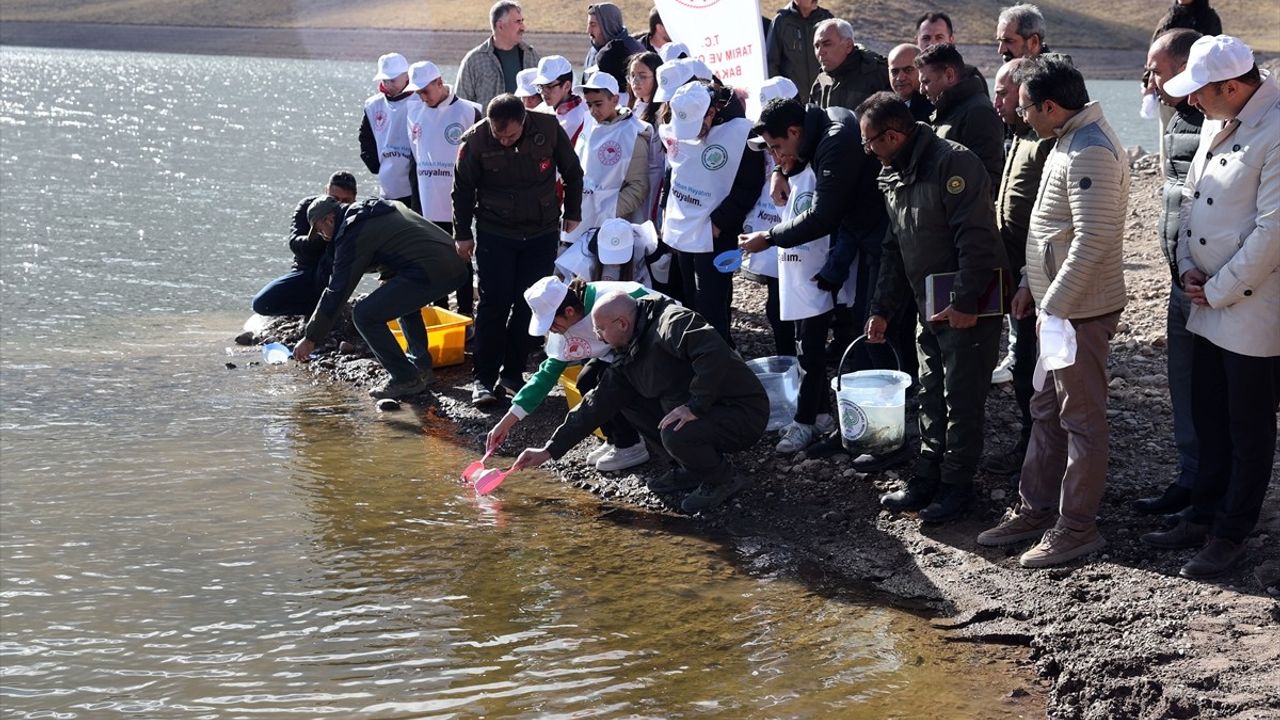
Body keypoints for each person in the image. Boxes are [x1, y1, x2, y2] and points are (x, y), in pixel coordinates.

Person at [976, 59, 1130, 568]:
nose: (1019, 115)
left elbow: (1092, 239)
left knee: (1081, 420)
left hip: (1078, 312)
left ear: (1048, 106)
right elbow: (1049, 228)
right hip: (1057, 308)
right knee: (1046, 409)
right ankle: (1037, 508)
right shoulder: (1065, 139)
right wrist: (1028, 284)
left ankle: (1076, 527)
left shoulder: (1091, 151)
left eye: (1023, 107)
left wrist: (1056, 306)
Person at [1141, 36, 1278, 579]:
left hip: (1251, 308)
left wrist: (1218, 286)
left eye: (1199, 92)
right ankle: (1201, 512)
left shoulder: (1274, 130)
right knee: (1208, 413)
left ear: (1230, 86)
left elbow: (1272, 232)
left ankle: (1231, 531)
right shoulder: (1219, 120)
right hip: (1204, 297)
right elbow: (1191, 197)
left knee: (1248, 427)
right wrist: (1186, 267)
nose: (1190, 102)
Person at [857, 91, 1008, 523]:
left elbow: (976, 240)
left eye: (871, 142)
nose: (867, 152)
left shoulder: (952, 164)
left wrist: (965, 302)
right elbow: (894, 247)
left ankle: (957, 486)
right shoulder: (892, 173)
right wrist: (882, 308)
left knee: (961, 397)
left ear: (893, 134)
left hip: (968, 301)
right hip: (928, 299)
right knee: (930, 391)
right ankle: (927, 476)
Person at [509, 291, 769, 514]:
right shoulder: (628, 348)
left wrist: (695, 406)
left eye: (600, 329)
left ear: (622, 323)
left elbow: (713, 353)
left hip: (742, 412)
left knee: (676, 432)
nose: (598, 338)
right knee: (624, 399)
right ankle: (692, 467)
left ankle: (722, 478)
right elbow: (595, 404)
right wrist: (549, 450)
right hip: (701, 406)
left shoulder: (673, 321)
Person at [739, 97, 887, 454]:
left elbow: (822, 215)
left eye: (777, 148)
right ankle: (826, 414)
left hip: (870, 242)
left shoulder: (834, 141)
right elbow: (795, 165)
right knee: (821, 336)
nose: (776, 156)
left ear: (794, 132)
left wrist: (770, 238)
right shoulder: (814, 128)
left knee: (859, 338)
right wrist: (781, 168)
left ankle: (864, 428)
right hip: (848, 243)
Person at [452, 94, 585, 407]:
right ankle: (483, 378)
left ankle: (512, 374)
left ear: (524, 121)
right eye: (499, 135)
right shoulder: (475, 141)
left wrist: (574, 212)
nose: (504, 140)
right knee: (493, 304)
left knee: (531, 303)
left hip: (540, 231)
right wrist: (461, 235)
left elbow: (573, 172)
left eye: (510, 135)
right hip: (495, 232)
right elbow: (461, 190)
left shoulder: (549, 128)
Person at [1130, 29, 1204, 517]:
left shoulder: (1225, 121)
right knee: (1184, 383)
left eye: (1157, 70)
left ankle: (1219, 495)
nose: (1150, 80)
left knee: (1218, 393)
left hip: (1216, 283)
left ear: (1184, 67)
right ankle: (1191, 479)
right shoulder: (1177, 117)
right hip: (1181, 276)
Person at [291, 197, 469, 399]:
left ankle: (405, 378)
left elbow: (338, 290)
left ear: (330, 219)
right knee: (401, 301)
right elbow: (402, 244)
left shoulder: (353, 231)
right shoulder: (375, 209)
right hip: (455, 263)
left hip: (435, 270)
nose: (322, 236)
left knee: (364, 315)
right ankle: (420, 368)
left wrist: (311, 337)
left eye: (319, 229)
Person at [487, 276, 654, 472]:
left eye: (551, 323)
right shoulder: (566, 322)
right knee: (585, 380)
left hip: (649, 348)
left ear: (569, 311)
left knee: (605, 382)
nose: (551, 330)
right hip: (615, 350)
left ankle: (631, 445)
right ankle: (615, 438)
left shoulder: (613, 298)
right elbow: (546, 376)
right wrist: (506, 422)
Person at [982, 58, 1055, 478]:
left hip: (1037, 275)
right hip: (1014, 270)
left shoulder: (1042, 142)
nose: (998, 102)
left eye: (1005, 93)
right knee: (1023, 360)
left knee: (1033, 363)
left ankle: (1037, 449)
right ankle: (1031, 443)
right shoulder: (1017, 137)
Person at [659, 81, 764, 344]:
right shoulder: (679, 122)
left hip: (717, 233)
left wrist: (720, 222)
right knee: (689, 297)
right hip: (685, 227)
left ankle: (718, 358)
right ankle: (695, 353)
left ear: (711, 112)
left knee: (713, 299)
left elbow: (750, 185)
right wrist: (668, 214)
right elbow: (673, 171)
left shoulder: (741, 134)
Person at [404, 61, 482, 317]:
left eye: (425, 90)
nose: (421, 97)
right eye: (417, 92)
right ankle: (439, 312)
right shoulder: (414, 112)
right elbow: (415, 162)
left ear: (440, 82)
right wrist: (415, 207)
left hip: (460, 201)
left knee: (462, 257)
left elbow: (481, 159)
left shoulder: (469, 112)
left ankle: (466, 312)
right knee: (434, 259)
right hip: (428, 202)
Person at [739, 77, 800, 358]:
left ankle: (797, 357)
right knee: (776, 303)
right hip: (768, 224)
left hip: (796, 230)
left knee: (793, 300)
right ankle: (787, 357)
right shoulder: (761, 146)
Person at [251, 172, 357, 317]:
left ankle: (324, 310)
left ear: (354, 199)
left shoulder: (356, 215)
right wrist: (323, 236)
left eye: (345, 201)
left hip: (335, 274)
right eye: (334, 199)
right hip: (305, 271)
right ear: (326, 191)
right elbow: (295, 243)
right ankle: (310, 308)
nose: (338, 206)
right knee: (261, 304)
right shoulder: (309, 206)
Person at [915, 43, 1005, 200]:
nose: (921, 90)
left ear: (949, 75)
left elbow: (986, 180)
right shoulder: (948, 110)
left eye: (926, 82)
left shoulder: (978, 113)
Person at [574, 71, 652, 230]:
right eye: (589, 105)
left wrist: (606, 213)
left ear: (615, 99)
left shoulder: (633, 134)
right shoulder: (589, 123)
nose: (593, 110)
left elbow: (638, 187)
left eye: (598, 104)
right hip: (579, 218)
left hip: (610, 226)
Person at [359, 53, 420, 208]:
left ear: (406, 76)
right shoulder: (373, 105)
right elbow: (365, 139)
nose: (388, 84)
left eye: (393, 80)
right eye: (385, 80)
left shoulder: (420, 100)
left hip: (417, 183)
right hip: (388, 183)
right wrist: (375, 165)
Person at [456, 1, 540, 107]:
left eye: (522, 21)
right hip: (488, 124)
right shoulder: (473, 61)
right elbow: (461, 105)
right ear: (500, 26)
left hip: (526, 124)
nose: (523, 27)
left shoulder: (531, 56)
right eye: (518, 22)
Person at [809, 19, 890, 112]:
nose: (820, 52)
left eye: (827, 44)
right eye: (816, 46)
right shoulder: (821, 81)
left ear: (848, 45)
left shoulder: (876, 74)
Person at [765, 0, 834, 105]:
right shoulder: (781, 22)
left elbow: (838, 58)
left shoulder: (827, 20)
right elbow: (771, 64)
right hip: (793, 103)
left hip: (824, 100)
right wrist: (781, 99)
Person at [626, 52, 665, 224]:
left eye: (642, 76)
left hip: (652, 182)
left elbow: (658, 159)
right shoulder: (634, 106)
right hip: (631, 180)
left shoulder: (661, 114)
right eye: (632, 75)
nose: (635, 81)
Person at [584, 3, 645, 99]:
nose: (588, 30)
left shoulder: (632, 51)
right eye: (588, 24)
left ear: (608, 25)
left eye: (593, 25)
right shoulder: (593, 52)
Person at [533, 55, 589, 145]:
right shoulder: (542, 108)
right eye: (540, 86)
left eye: (549, 86)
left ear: (567, 86)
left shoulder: (580, 117)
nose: (543, 92)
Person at [888, 44, 933, 122]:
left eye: (908, 70)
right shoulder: (881, 107)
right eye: (894, 71)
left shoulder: (935, 108)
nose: (900, 78)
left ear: (922, 70)